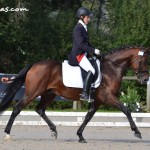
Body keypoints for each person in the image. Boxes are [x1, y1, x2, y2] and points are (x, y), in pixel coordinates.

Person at [68, 7, 101, 102]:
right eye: (88, 17)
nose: (89, 19)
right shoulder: (78, 28)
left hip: (83, 54)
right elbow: (81, 44)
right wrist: (93, 50)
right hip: (78, 56)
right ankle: (84, 94)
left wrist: (94, 52)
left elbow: (87, 43)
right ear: (81, 17)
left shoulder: (83, 27)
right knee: (91, 70)